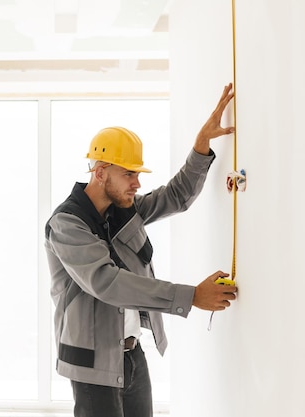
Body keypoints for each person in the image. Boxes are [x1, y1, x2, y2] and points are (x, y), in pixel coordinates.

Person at [44, 83, 238, 417]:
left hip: (132, 355)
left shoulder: (122, 210)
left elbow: (175, 197)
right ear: (101, 172)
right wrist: (191, 295)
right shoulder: (67, 224)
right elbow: (108, 283)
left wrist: (201, 146)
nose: (137, 183)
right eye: (129, 174)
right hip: (93, 366)